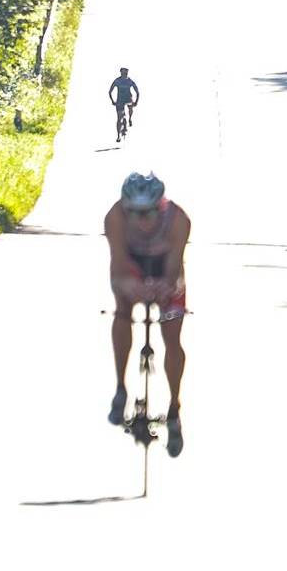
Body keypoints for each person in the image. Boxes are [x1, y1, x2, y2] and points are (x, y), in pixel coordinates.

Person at [105, 172, 192, 458]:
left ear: (161, 207)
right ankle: (120, 389)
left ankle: (174, 407)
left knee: (172, 331)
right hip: (132, 264)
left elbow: (173, 269)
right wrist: (133, 288)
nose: (142, 220)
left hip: (164, 266)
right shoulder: (114, 218)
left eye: (149, 213)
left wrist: (163, 288)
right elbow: (118, 263)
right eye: (135, 213)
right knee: (122, 312)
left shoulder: (179, 220)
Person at [108, 68, 140, 132]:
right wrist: (112, 101)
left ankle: (130, 119)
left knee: (130, 107)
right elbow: (110, 92)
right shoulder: (118, 81)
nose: (124, 75)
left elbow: (137, 92)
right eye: (123, 73)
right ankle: (119, 135)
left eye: (125, 73)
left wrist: (136, 101)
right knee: (119, 118)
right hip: (120, 100)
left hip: (127, 99)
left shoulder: (129, 81)